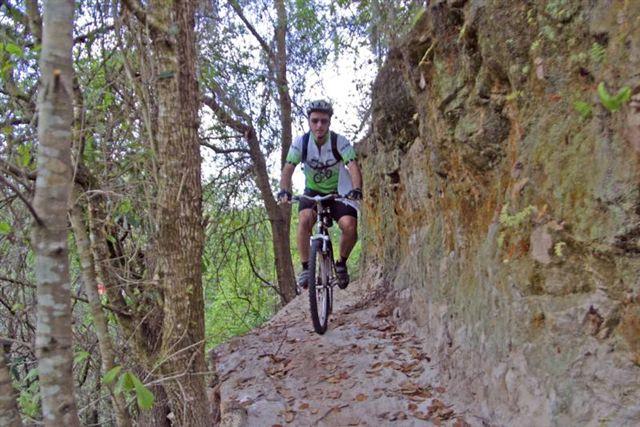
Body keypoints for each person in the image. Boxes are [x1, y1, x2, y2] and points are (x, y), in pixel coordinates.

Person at [277, 99, 363, 290]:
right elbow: (288, 169)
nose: (319, 125)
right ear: (308, 121)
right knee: (305, 220)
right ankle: (307, 268)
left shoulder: (339, 142)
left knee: (349, 226)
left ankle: (341, 263)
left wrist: (356, 189)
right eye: (315, 120)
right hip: (313, 192)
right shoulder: (301, 143)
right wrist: (284, 190)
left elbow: (353, 166)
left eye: (323, 121)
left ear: (329, 122)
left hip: (339, 191)